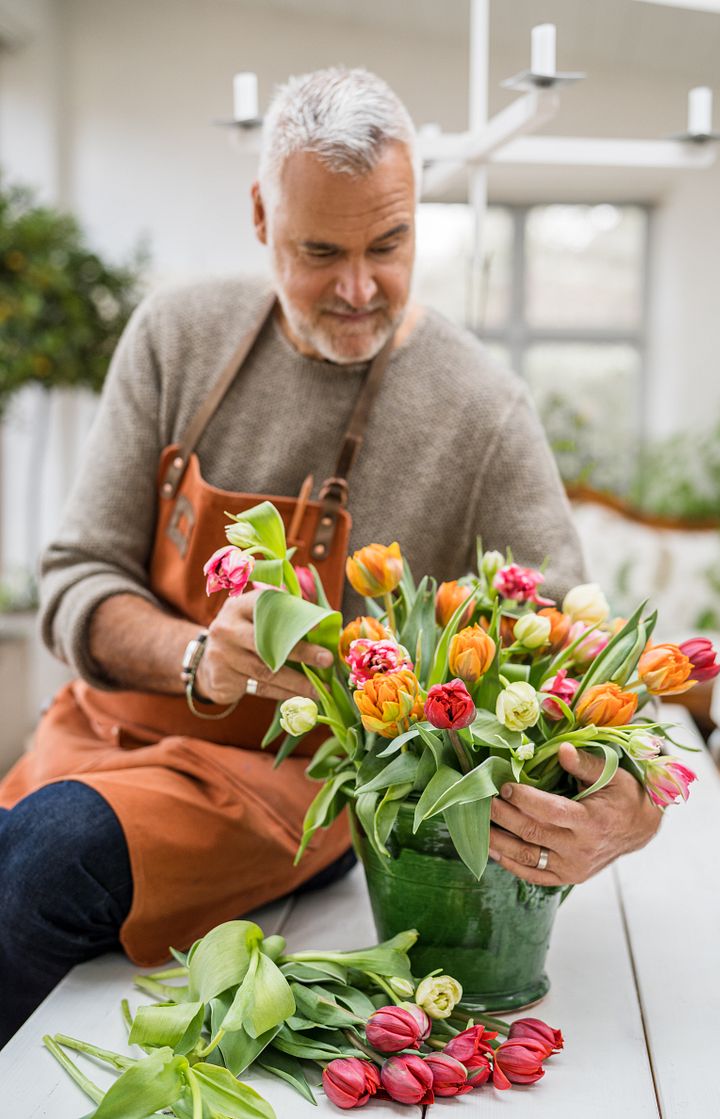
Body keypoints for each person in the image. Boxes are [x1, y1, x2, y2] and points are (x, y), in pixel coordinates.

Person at [0, 67, 661, 1047]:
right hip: (96, 741)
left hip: (295, 793)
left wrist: (632, 796)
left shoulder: (481, 412)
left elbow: (579, 651)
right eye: (320, 251)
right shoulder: (175, 339)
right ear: (261, 215)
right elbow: (75, 578)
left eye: (387, 245)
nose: (358, 289)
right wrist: (198, 658)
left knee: (54, 856)